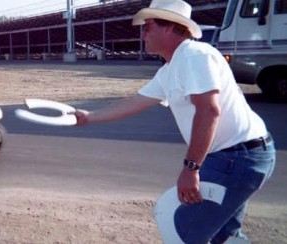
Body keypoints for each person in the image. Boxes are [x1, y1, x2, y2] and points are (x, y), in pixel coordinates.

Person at [72, 0, 276, 243]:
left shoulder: (194, 56)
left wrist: (191, 168)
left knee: (183, 231)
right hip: (238, 156)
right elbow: (135, 102)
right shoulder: (171, 69)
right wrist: (89, 117)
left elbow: (209, 111)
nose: (143, 34)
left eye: (147, 27)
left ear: (170, 28)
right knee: (225, 236)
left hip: (236, 159)